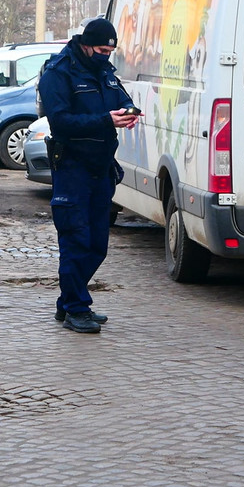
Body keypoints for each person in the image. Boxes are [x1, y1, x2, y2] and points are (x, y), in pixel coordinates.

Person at [37, 18, 141, 334]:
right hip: (72, 167)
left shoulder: (105, 72)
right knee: (76, 240)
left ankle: (68, 301)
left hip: (101, 168)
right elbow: (61, 121)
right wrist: (105, 121)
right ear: (85, 44)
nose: (106, 55)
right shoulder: (58, 73)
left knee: (98, 245)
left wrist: (128, 112)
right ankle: (76, 309)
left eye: (110, 50)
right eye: (100, 49)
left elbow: (121, 98)